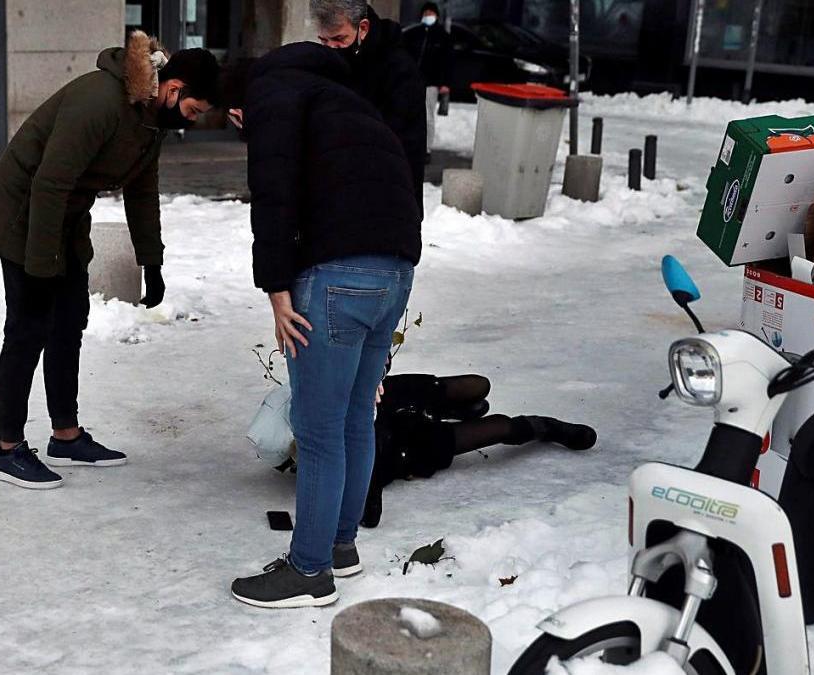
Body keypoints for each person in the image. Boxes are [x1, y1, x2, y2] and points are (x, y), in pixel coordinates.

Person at [0, 34, 221, 489]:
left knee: (70, 320)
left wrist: (153, 262)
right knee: (29, 327)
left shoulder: (150, 121)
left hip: (65, 215)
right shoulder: (101, 101)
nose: (189, 121)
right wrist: (42, 264)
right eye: (191, 110)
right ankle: (7, 449)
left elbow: (143, 193)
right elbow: (48, 182)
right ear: (173, 88)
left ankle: (65, 436)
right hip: (26, 212)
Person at [231, 41, 422, 609]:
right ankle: (340, 546)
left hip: (337, 278)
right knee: (356, 416)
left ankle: (309, 571)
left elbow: (273, 194)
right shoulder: (347, 98)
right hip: (396, 271)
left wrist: (276, 288)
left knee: (315, 431)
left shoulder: (273, 95)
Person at [360, 374, 598, 527]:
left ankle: (446, 410)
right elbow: (369, 517)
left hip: (380, 402)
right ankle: (544, 427)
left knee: (478, 384)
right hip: (396, 449)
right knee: (500, 427)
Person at [310, 0, 426, 213]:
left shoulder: (399, 70)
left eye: (339, 39)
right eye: (323, 41)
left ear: (363, 28)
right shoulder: (333, 64)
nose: (331, 48)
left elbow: (394, 140)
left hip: (388, 201)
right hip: (342, 195)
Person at [401, 2, 455, 157]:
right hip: (412, 81)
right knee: (410, 114)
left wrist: (446, 83)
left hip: (431, 83)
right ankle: (410, 144)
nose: (428, 16)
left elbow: (448, 62)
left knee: (427, 117)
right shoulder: (414, 34)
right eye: (426, 13)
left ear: (437, 16)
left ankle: (426, 148)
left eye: (431, 13)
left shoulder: (443, 37)